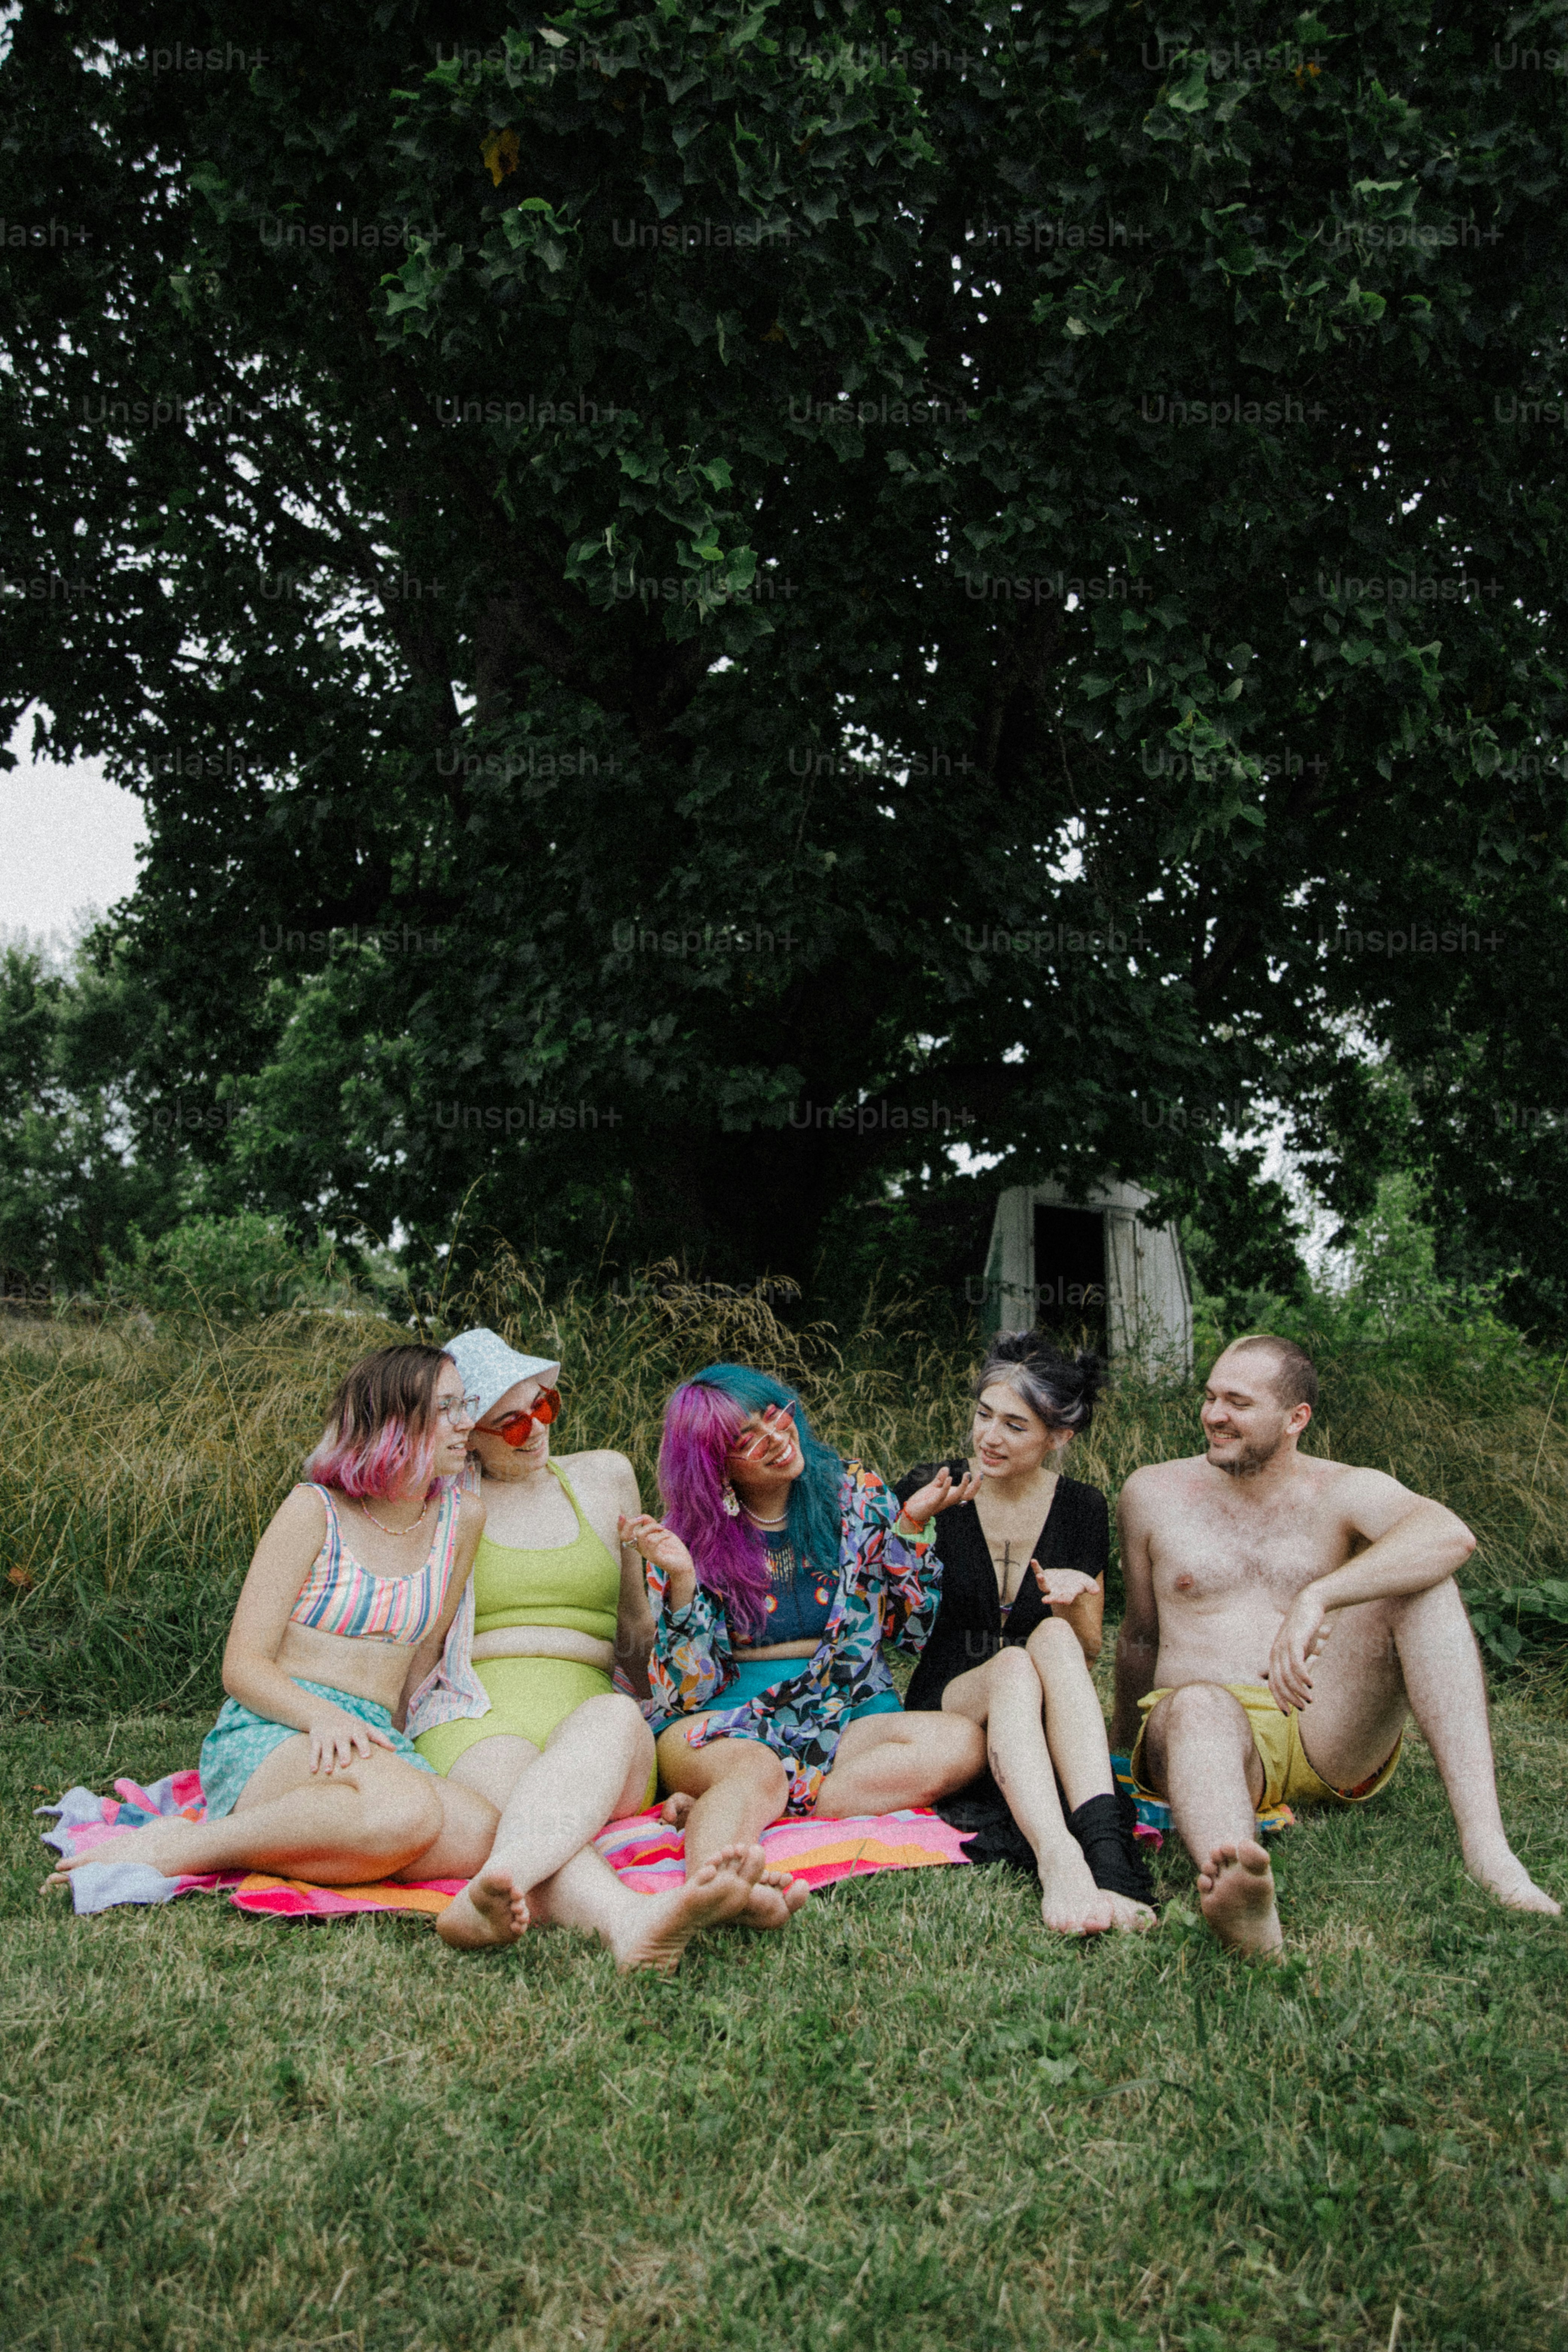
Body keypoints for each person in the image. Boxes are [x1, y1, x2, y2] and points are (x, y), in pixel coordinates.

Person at [1112, 1332, 1561, 1956]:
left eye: (1238, 1402)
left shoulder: (1343, 1489)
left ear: (1295, 1418)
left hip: (1324, 1724)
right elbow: (1139, 1633)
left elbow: (1448, 1535)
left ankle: (1488, 1849)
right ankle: (1242, 1887)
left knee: (1424, 1585)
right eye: (1210, 1396)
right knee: (1196, 1706)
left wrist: (1318, 1596)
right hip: (1205, 1731)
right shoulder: (1151, 1492)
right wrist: (1118, 1754)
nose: (1213, 1415)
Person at [46, 1344, 501, 1894]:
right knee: (407, 1812)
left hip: (371, 1735)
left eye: (464, 1404)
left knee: (480, 1834)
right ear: (392, 1423)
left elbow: (423, 1654)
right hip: (281, 1726)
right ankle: (182, 1846)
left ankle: (320, 1834)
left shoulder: (462, 1518)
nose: (466, 1422)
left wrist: (395, 1745)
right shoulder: (314, 1510)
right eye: (445, 1408)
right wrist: (323, 1717)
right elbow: (243, 1666)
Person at [410, 1329, 779, 1961]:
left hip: (594, 1723)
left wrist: (678, 1602)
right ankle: (628, 1921)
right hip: (474, 1713)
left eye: (543, 1405)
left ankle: (493, 1884)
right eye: (511, 1422)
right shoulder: (442, 1502)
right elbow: (412, 1628)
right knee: (526, 1797)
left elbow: (635, 1630)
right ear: (468, 1435)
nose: (536, 1428)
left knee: (609, 1718)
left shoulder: (603, 1477)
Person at [621, 1363, 986, 1883]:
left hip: (847, 1707)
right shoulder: (686, 1537)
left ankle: (761, 1807)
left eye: (775, 1416)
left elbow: (911, 1632)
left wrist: (910, 1529)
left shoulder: (856, 1493)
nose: (776, 1438)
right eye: (747, 1439)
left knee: (960, 1743)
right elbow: (685, 1692)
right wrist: (682, 1578)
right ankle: (709, 1887)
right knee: (757, 1771)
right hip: (729, 1719)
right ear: (714, 1467)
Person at [899, 1331, 1155, 1935]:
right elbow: (893, 1626)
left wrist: (1072, 1600)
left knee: (1053, 1640)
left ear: (1058, 1436)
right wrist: (910, 1525)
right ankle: (1059, 1856)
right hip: (953, 1695)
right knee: (1011, 1664)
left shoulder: (1082, 1507)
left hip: (1041, 1705)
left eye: (1015, 1425)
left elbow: (1086, 1649)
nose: (989, 1437)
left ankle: (1108, 1855)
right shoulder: (931, 1484)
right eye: (984, 1415)